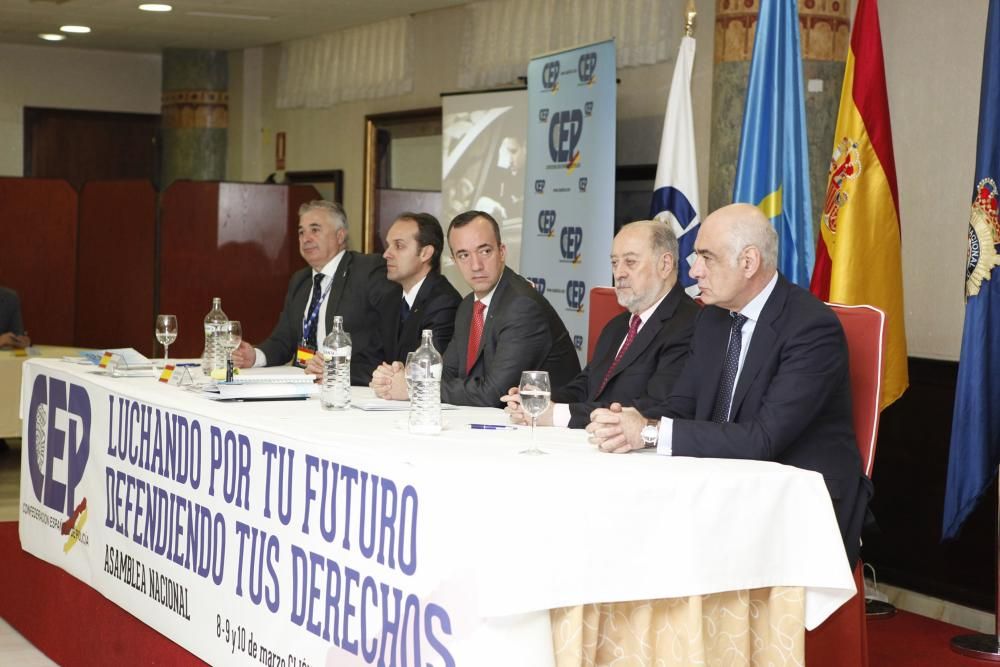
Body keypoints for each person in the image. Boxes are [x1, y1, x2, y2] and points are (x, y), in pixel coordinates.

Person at [586, 203, 871, 567]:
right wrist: (627, 423)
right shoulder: (712, 322)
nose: (692, 269)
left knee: (664, 551)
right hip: (724, 484)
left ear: (749, 262)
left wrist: (652, 434)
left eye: (706, 257)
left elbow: (764, 439)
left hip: (800, 499)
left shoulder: (810, 328)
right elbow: (680, 408)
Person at [501, 220, 698, 428]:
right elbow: (586, 387)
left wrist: (556, 414)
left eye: (630, 262)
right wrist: (538, 399)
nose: (619, 273)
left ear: (665, 265)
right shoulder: (617, 326)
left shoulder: (689, 325)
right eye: (614, 263)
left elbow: (652, 408)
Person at [372, 210, 580, 406]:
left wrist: (414, 388)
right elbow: (449, 372)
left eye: (485, 251)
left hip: (546, 429)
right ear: (454, 260)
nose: (476, 265)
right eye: (464, 255)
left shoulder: (521, 306)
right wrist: (409, 375)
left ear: (502, 252)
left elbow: (494, 392)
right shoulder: (468, 305)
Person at [232, 200, 395, 385]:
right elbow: (282, 340)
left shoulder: (367, 271)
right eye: (301, 232)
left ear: (340, 236)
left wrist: (337, 370)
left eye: (315, 230)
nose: (306, 238)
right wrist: (254, 356)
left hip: (351, 386)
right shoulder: (301, 280)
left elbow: (387, 339)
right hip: (305, 384)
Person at [375, 213, 462, 363]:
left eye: (399, 246)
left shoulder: (444, 303)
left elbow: (427, 367)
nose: (386, 254)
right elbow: (374, 356)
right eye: (388, 245)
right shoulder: (390, 297)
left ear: (425, 253)